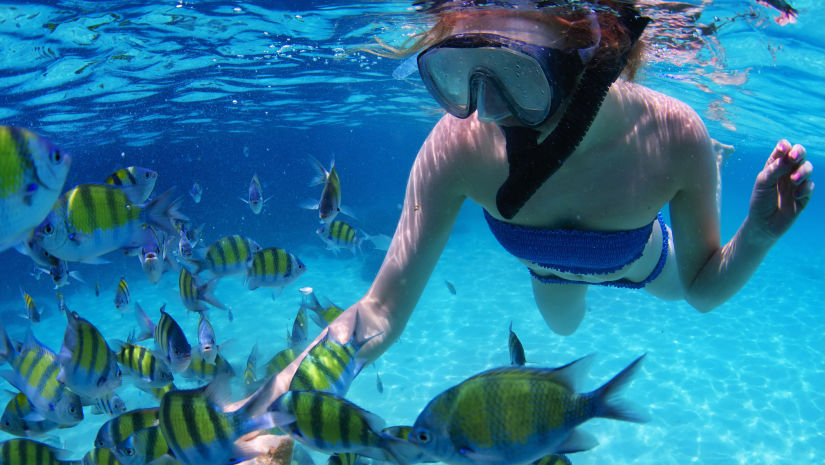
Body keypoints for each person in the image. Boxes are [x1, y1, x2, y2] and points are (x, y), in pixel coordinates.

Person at [243, 0, 813, 425]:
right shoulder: (458, 146)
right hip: (549, 272)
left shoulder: (673, 135)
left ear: (593, 58)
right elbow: (378, 311)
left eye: (516, 74)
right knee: (563, 323)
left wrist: (758, 234)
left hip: (641, 258)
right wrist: (261, 413)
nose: (486, 108)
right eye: (462, 75)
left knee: (667, 286)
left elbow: (702, 290)